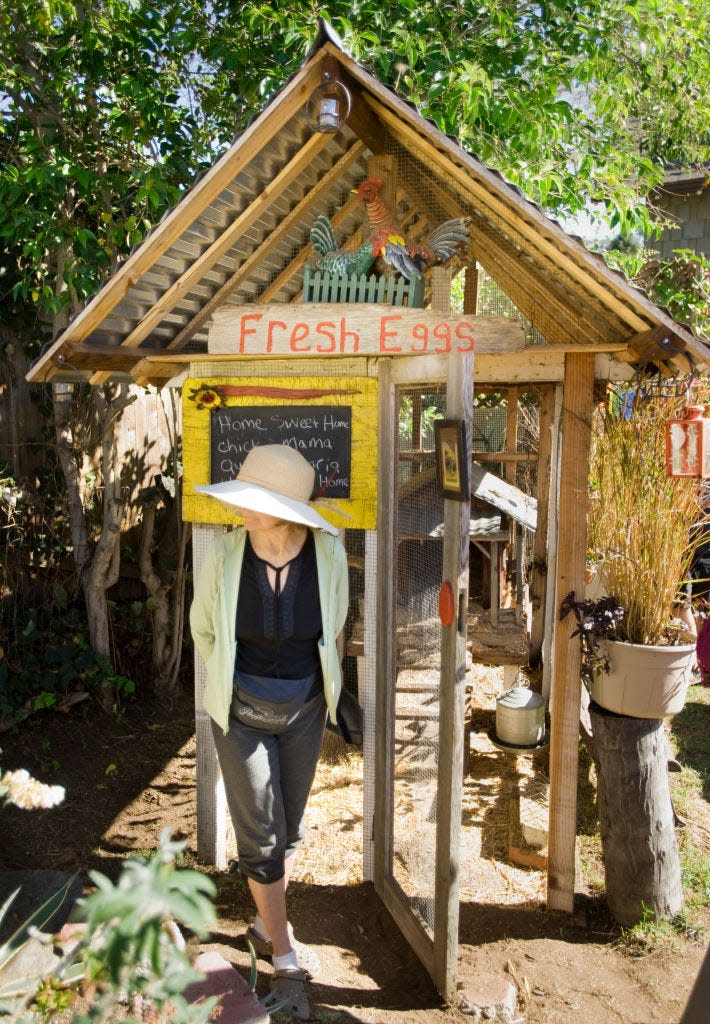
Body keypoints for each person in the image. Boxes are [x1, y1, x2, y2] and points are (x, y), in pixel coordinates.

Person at [190, 444, 349, 1019]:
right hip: (240, 717)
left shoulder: (330, 555)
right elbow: (203, 627)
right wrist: (230, 691)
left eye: (255, 502)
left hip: (304, 711)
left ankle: (262, 923)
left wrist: (317, 695)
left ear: (287, 510)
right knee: (259, 832)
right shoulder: (228, 553)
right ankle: (285, 957)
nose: (242, 510)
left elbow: (335, 623)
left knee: (287, 827)